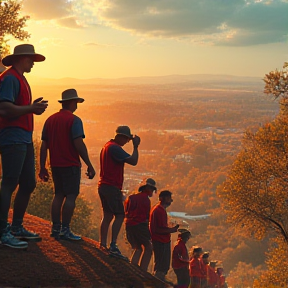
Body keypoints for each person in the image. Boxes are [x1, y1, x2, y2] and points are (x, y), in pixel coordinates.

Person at [0, 44, 48, 249]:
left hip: (24, 138)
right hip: (13, 137)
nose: (33, 64)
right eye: (31, 60)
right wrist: (31, 108)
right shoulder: (10, 78)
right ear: (22, 59)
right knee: (9, 182)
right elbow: (4, 109)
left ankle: (16, 227)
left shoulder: (19, 78)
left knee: (28, 183)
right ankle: (3, 232)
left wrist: (30, 107)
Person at [39, 89, 95, 240]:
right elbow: (78, 143)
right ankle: (66, 229)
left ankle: (55, 228)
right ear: (71, 102)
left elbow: (44, 145)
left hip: (55, 164)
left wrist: (42, 166)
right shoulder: (74, 120)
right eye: (76, 102)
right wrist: (89, 163)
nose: (77, 105)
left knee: (58, 194)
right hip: (70, 164)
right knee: (71, 195)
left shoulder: (50, 120)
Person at [98, 125, 140, 256]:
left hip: (103, 185)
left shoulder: (107, 146)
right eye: (127, 139)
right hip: (111, 187)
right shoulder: (115, 148)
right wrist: (136, 147)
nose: (127, 142)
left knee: (108, 215)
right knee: (120, 215)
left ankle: (103, 243)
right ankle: (113, 244)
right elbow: (133, 161)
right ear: (121, 136)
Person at [124, 178, 156, 271]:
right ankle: (143, 271)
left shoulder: (131, 198)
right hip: (140, 226)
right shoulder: (146, 200)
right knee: (149, 248)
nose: (152, 192)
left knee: (138, 248)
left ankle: (133, 269)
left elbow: (126, 212)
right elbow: (145, 217)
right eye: (152, 189)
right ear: (147, 189)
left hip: (129, 225)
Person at [149, 190, 179, 282]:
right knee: (162, 263)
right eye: (169, 198)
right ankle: (158, 279)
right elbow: (158, 229)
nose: (171, 201)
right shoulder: (159, 211)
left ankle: (160, 279)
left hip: (161, 240)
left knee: (162, 262)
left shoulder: (158, 209)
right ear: (162, 198)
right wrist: (172, 230)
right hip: (161, 240)